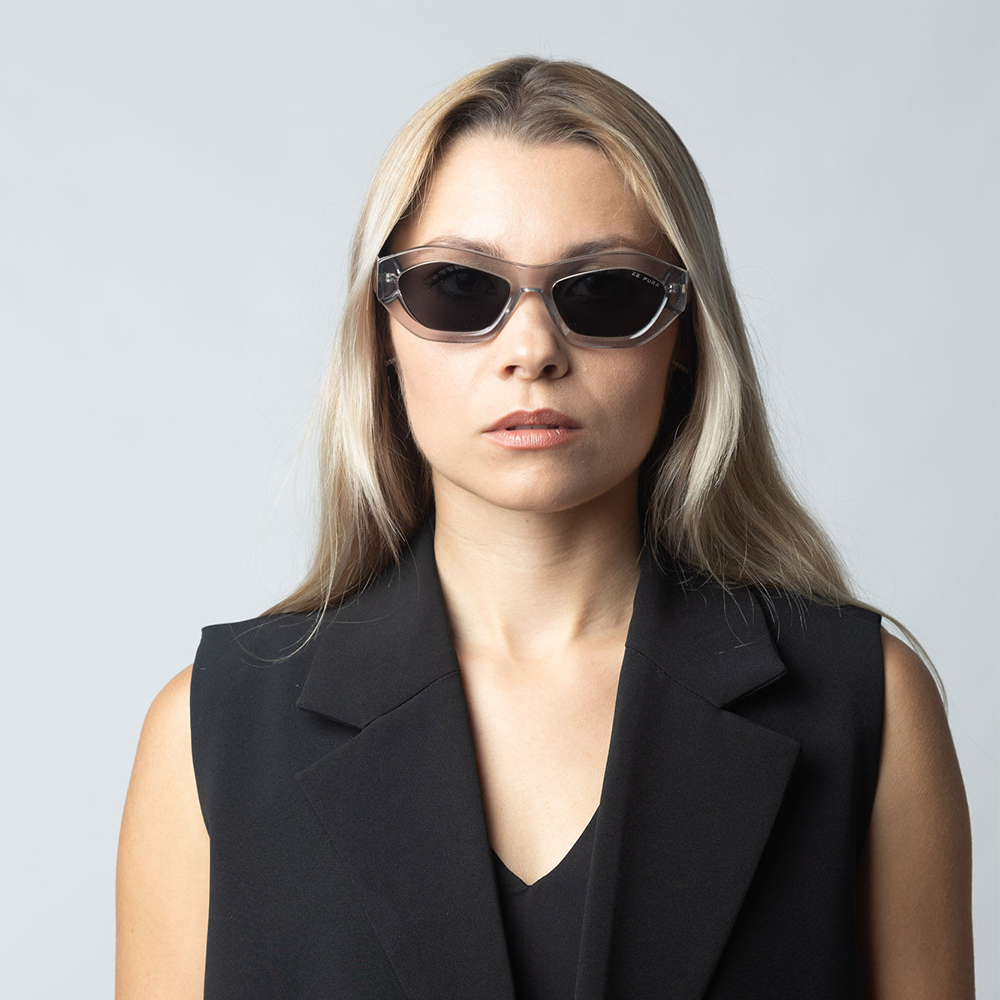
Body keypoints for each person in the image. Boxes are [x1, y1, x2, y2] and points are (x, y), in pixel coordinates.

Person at [115, 56, 975, 999]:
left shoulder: (867, 707)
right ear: (382, 336)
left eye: (606, 291)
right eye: (459, 289)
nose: (531, 350)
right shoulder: (213, 731)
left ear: (684, 338)